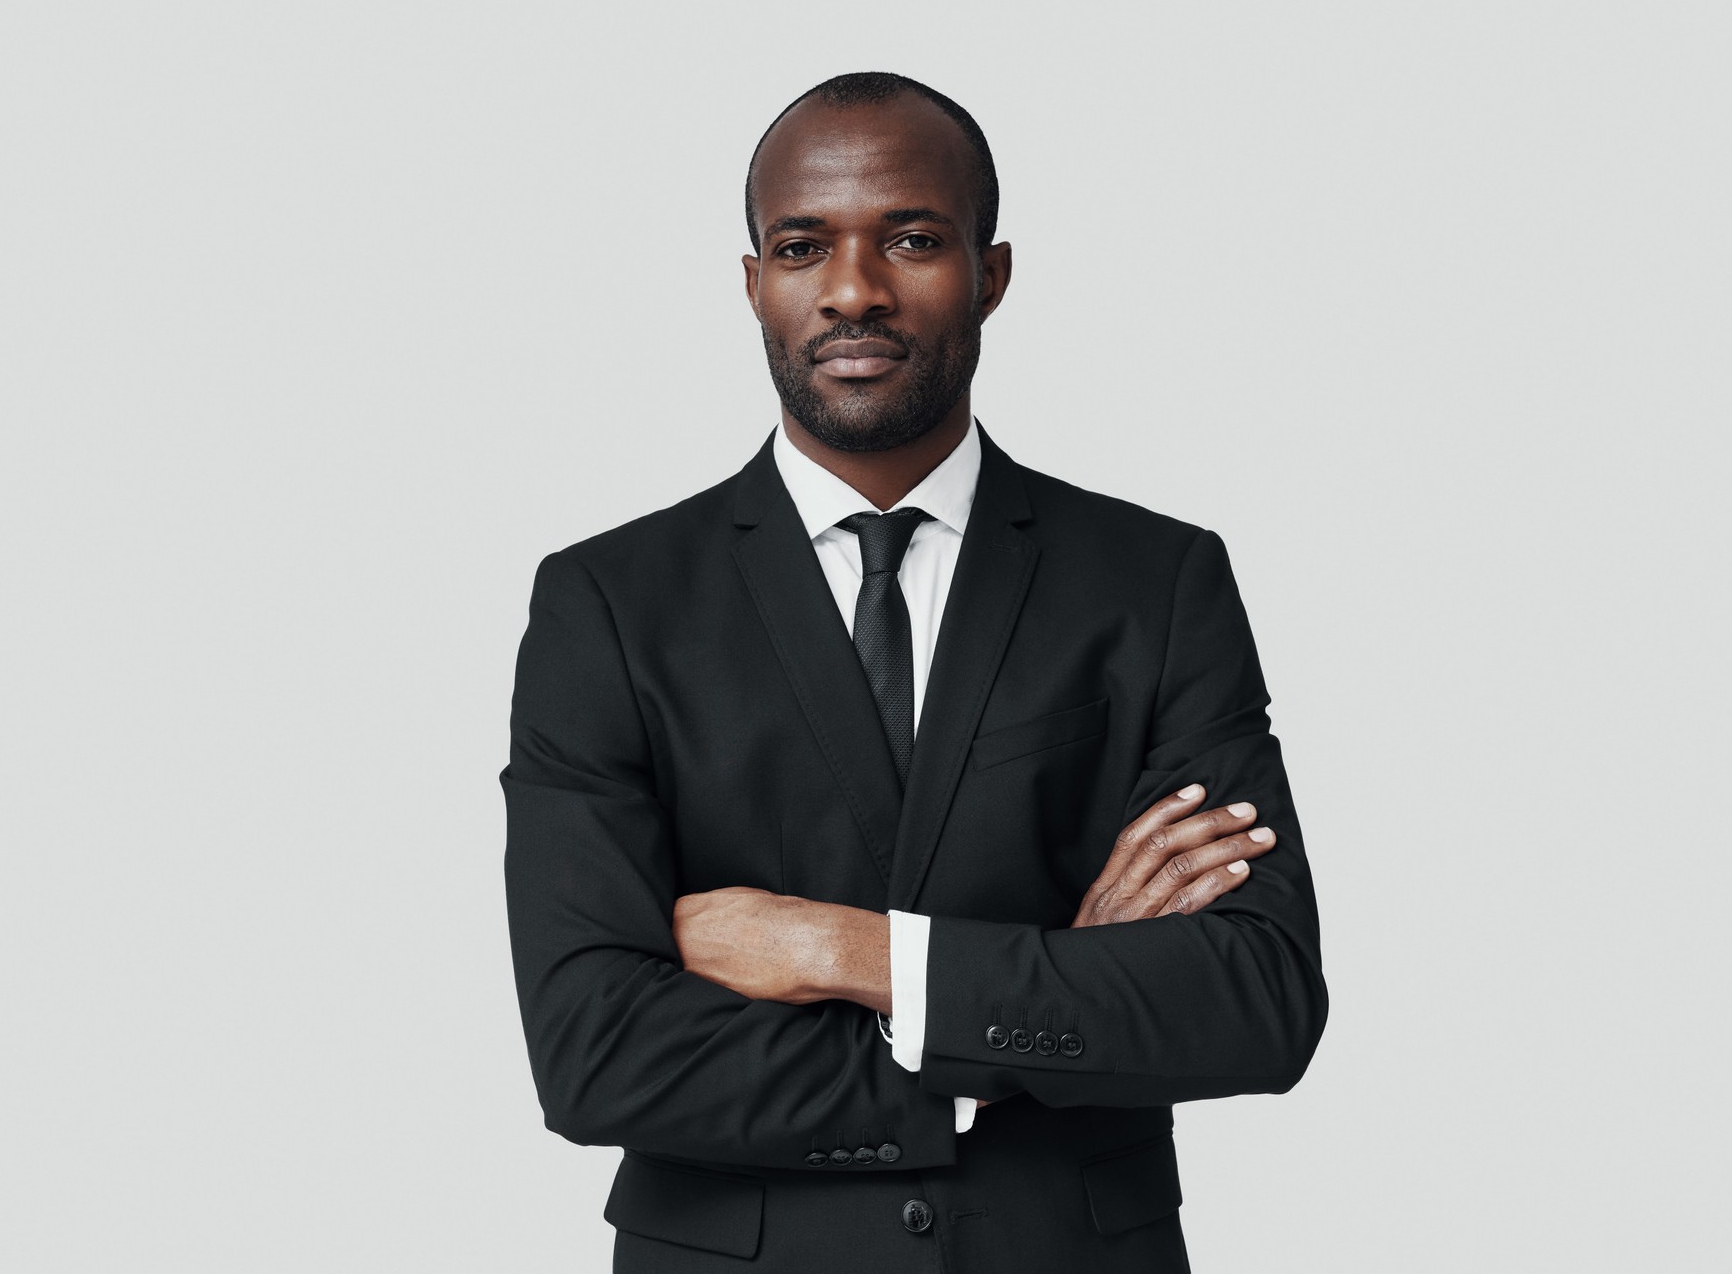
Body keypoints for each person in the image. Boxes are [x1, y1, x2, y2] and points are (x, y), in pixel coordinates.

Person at [501, 71, 1328, 1273]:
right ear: (753, 286)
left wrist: (848, 954)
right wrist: (1045, 1011)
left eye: (913, 238)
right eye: (801, 246)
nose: (853, 290)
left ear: (990, 273)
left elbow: (1254, 1001)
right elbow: (595, 1052)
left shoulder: (1155, 583)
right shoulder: (608, 604)